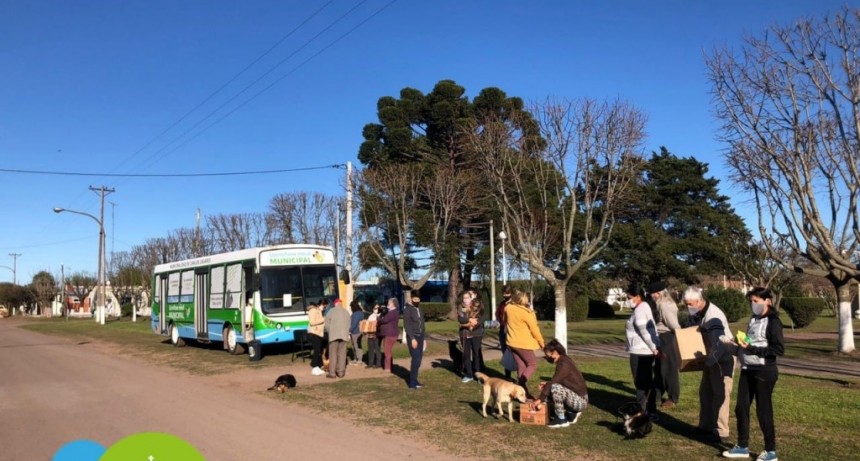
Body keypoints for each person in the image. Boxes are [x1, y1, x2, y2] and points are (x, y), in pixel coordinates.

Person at [723, 287, 784, 461]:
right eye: (751, 301)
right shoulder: (753, 319)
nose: (753, 304)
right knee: (741, 407)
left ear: (767, 301)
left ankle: (770, 451)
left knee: (763, 410)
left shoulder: (773, 321)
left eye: (756, 301)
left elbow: (778, 349)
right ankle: (742, 446)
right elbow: (751, 340)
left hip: (765, 370)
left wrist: (750, 348)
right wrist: (738, 341)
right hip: (747, 369)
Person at [684, 286, 736, 444]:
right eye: (687, 304)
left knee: (720, 394)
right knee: (705, 392)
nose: (689, 307)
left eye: (691, 304)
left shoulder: (714, 315)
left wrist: (709, 362)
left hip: (722, 358)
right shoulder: (699, 312)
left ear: (700, 301)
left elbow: (720, 344)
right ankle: (705, 426)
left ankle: (721, 431)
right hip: (709, 357)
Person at [532, 338, 589, 429]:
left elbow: (554, 382)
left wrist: (540, 399)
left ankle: (561, 419)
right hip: (579, 397)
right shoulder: (564, 360)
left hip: (580, 401)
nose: (546, 357)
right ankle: (571, 413)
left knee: (555, 388)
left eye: (547, 354)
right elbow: (562, 380)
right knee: (551, 386)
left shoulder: (563, 364)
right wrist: (547, 384)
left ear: (554, 352)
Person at [625, 283, 661, 420]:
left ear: (638, 297)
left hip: (640, 352)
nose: (628, 300)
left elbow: (645, 331)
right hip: (645, 351)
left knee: (640, 383)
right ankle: (651, 410)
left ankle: (640, 412)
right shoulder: (644, 307)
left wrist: (653, 347)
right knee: (647, 382)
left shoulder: (640, 310)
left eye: (629, 297)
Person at [505, 290, 544, 400]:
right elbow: (534, 329)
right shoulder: (527, 313)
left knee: (522, 366)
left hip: (511, 342)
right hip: (523, 344)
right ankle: (520, 383)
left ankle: (523, 392)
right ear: (523, 300)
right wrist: (541, 343)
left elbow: (505, 320)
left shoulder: (508, 308)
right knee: (532, 364)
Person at [648, 281, 682, 409]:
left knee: (669, 369)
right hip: (660, 337)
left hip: (667, 337)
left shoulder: (665, 305)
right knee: (658, 368)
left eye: (654, 294)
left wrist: (680, 336)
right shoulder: (659, 303)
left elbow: (673, 324)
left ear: (659, 293)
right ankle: (656, 395)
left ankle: (673, 397)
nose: (652, 296)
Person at [457, 290, 484, 383]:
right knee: (466, 354)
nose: (465, 300)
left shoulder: (478, 305)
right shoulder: (460, 307)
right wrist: (470, 320)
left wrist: (476, 322)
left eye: (467, 297)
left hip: (477, 333)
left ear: (471, 297)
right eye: (464, 298)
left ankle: (479, 375)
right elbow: (461, 319)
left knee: (476, 353)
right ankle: (469, 374)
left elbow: (481, 317)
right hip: (465, 334)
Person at [403, 291, 426, 390]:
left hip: (421, 336)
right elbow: (407, 325)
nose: (417, 301)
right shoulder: (408, 309)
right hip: (413, 337)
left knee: (419, 360)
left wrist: (424, 338)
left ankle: (415, 379)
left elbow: (422, 324)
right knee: (415, 359)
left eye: (418, 299)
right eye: (415, 299)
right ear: (411, 299)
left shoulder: (419, 308)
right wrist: (412, 338)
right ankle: (412, 382)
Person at [324, 298, 351, 379]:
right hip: (344, 336)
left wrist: (330, 331)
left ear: (335, 304)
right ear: (341, 304)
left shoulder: (331, 311)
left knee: (333, 354)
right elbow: (349, 325)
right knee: (342, 354)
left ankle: (332, 373)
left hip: (334, 336)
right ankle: (341, 372)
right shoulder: (346, 312)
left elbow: (327, 325)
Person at [496, 285, 514, 381]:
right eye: (504, 293)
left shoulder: (515, 303)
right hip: (503, 330)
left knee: (515, 354)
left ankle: (521, 376)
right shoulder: (502, 304)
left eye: (507, 293)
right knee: (506, 353)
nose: (505, 295)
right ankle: (507, 376)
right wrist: (502, 323)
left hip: (513, 332)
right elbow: (497, 314)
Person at [378, 297, 400, 373]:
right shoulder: (392, 312)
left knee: (387, 351)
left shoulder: (392, 312)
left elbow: (384, 320)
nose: (388, 303)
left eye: (389, 302)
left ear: (393, 304)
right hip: (391, 334)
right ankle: (390, 366)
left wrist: (378, 319)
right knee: (388, 351)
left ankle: (388, 368)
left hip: (390, 334)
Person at [306, 301, 326, 376]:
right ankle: (314, 367)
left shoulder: (318, 311)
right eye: (324, 306)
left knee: (319, 351)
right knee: (317, 350)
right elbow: (312, 322)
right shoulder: (313, 310)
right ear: (320, 305)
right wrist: (323, 319)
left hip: (318, 333)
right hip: (314, 333)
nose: (323, 308)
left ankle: (317, 366)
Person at [365, 304, 382, 368]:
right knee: (370, 348)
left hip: (376, 334)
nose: (376, 309)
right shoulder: (370, 316)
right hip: (370, 334)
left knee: (377, 348)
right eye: (375, 308)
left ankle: (378, 363)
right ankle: (370, 363)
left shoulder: (380, 315)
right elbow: (367, 325)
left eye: (377, 308)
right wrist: (366, 333)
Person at [349, 300, 364, 365]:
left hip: (355, 332)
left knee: (356, 346)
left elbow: (354, 323)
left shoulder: (356, 314)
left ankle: (359, 359)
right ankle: (356, 359)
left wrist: (350, 330)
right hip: (359, 331)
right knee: (355, 345)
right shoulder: (360, 312)